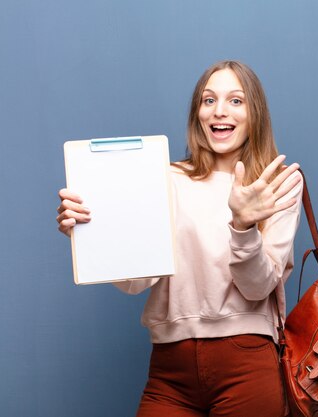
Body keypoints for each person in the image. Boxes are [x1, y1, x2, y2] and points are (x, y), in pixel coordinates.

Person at [56, 60, 302, 417]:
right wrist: (88, 233)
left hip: (246, 363)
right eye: (208, 100)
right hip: (170, 370)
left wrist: (244, 225)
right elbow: (137, 280)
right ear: (197, 113)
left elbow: (257, 287)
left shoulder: (277, 186)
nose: (220, 111)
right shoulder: (166, 179)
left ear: (255, 113)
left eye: (236, 100)